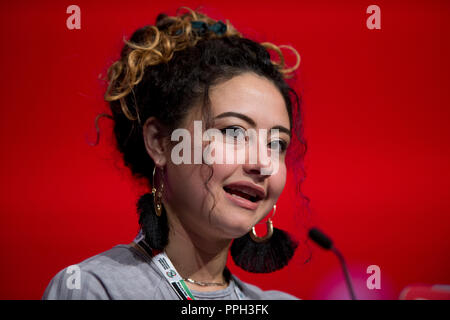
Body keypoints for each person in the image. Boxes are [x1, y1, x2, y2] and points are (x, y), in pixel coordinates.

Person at [42, 6, 308, 300]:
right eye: (233, 132)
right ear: (159, 142)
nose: (262, 163)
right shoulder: (95, 289)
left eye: (277, 144)